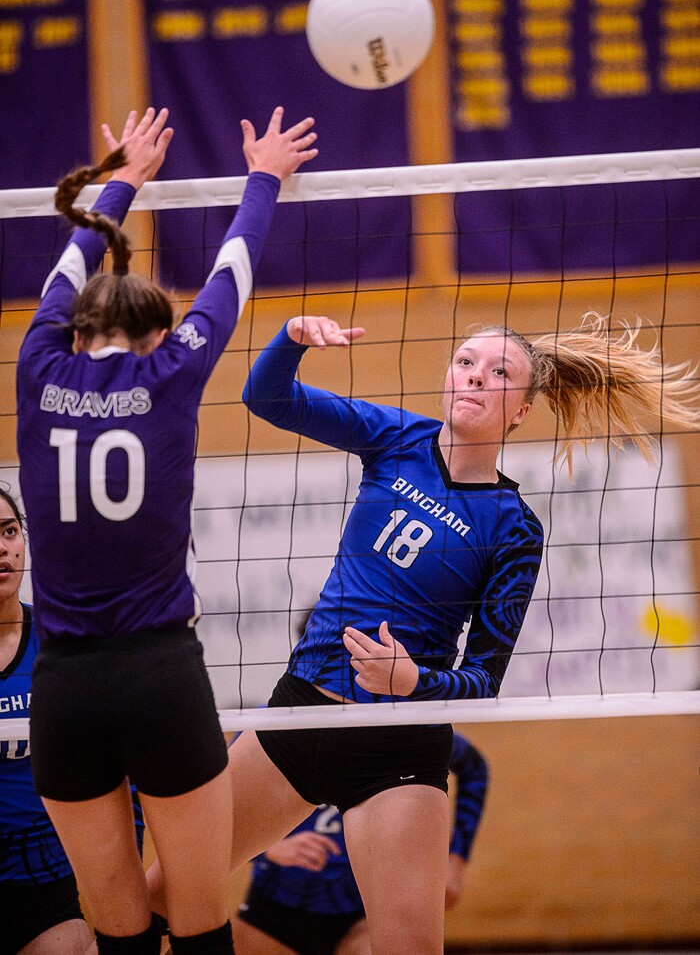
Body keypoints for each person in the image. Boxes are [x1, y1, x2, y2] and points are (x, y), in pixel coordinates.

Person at [220, 310, 699, 955]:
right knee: (168, 893)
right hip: (305, 712)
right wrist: (291, 341)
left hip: (400, 745)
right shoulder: (397, 437)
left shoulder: (513, 526)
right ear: (447, 378)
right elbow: (266, 397)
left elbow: (482, 681)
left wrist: (413, 679)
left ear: (521, 411)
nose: (475, 377)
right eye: (466, 361)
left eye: (500, 372)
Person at [15, 105, 317, 955]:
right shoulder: (172, 371)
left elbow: (60, 278)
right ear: (156, 335)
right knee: (199, 923)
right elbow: (234, 268)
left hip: (64, 688)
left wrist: (125, 180)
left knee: (115, 932)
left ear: (74, 332)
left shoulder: (37, 371)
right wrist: (264, 175)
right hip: (160, 678)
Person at [0, 486, 147, 955]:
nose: (1, 548)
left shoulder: (63, 641)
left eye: (8, 531)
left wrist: (126, 875)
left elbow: (126, 764)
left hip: (42, 886)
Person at [232, 731, 488, 955]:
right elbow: (229, 805)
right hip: (275, 908)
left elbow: (474, 768)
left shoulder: (406, 725)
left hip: (362, 912)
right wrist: (268, 848)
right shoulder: (277, 718)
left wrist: (456, 861)